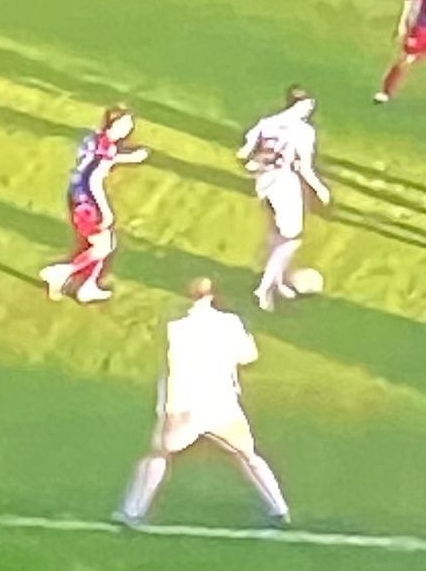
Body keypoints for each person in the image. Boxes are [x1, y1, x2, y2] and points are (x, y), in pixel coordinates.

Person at [116, 279, 292, 529]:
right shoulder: (229, 323)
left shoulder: (174, 327)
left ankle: (133, 511)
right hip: (221, 404)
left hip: (183, 405)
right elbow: (248, 356)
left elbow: (167, 365)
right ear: (212, 296)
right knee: (249, 455)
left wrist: (166, 409)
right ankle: (279, 508)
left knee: (158, 455)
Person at [40, 107, 151, 304]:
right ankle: (61, 273)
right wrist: (106, 211)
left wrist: (129, 158)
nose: (129, 127)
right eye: (125, 124)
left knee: (96, 244)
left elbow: (98, 161)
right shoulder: (107, 147)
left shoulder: (95, 139)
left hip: (74, 195)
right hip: (86, 204)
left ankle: (86, 287)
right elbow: (93, 178)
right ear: (112, 125)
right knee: (103, 245)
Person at [239, 88, 331, 310]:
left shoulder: (265, 123)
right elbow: (305, 168)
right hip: (285, 184)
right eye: (308, 105)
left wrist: (258, 164)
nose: (310, 109)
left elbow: (243, 155)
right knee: (291, 239)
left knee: (275, 233)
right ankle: (264, 288)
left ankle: (279, 282)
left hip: (263, 183)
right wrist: (320, 189)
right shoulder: (304, 131)